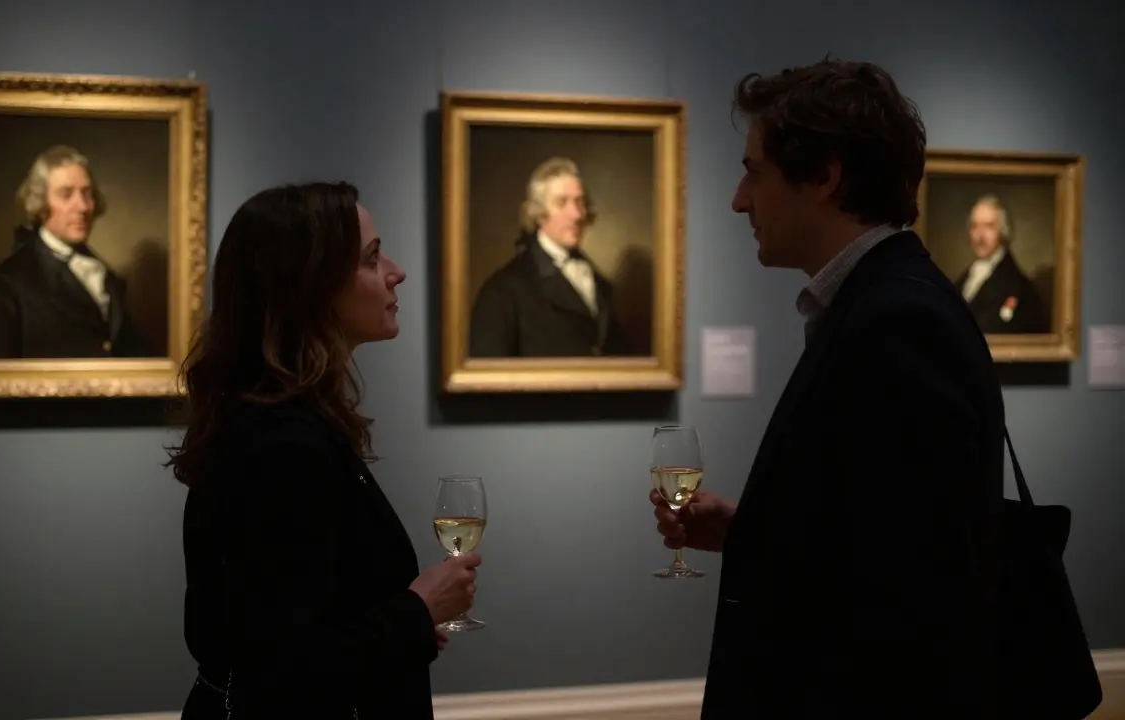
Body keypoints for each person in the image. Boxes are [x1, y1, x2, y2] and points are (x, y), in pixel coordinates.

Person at [651, 58, 1006, 719]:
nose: (738, 198)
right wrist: (752, 529)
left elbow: (910, 596)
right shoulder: (878, 304)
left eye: (754, 171)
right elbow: (864, 532)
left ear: (826, 175)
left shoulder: (899, 322)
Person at [166, 182, 481, 718]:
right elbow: (285, 668)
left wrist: (400, 620)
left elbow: (310, 611)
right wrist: (417, 608)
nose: (396, 271)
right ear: (311, 286)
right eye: (372, 257)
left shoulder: (283, 421)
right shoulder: (281, 443)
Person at [0, 144, 151, 358]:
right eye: (66, 194)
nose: (83, 206)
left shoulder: (107, 277)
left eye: (87, 193)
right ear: (39, 204)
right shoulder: (1, 289)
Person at [468, 156, 630, 357]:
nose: (577, 214)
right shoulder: (503, 291)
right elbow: (488, 377)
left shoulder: (600, 283)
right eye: (562, 202)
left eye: (579, 202)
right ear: (538, 213)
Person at [955, 193, 1048, 334]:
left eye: (989, 226)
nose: (980, 236)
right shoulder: (964, 279)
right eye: (974, 226)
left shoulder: (1018, 287)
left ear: (1003, 231)